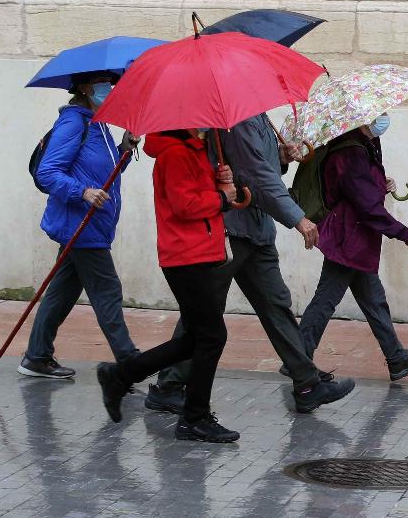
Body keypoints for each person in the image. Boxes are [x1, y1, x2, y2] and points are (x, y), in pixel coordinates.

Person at [144, 113, 354, 415]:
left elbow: (262, 165)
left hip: (255, 230)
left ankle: (307, 383)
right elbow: (255, 174)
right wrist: (297, 218)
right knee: (204, 312)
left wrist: (280, 156)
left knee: (276, 303)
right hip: (232, 230)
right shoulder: (237, 119)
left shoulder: (257, 116)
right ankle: (169, 385)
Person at [95, 129, 241, 443]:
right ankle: (194, 417)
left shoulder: (195, 149)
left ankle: (120, 375)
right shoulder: (175, 153)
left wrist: (223, 185)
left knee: (196, 339)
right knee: (213, 336)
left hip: (199, 251)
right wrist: (220, 197)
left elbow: (202, 198)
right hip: (185, 256)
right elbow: (184, 205)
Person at [297, 113, 408, 381]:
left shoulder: (362, 146)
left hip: (355, 239)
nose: (383, 119)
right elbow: (366, 205)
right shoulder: (350, 152)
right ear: (361, 120)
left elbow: (362, 190)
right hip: (348, 238)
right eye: (378, 115)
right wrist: (403, 232)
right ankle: (298, 359)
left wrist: (382, 184)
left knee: (374, 300)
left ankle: (396, 359)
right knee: (326, 300)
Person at [21, 72, 139, 380]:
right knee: (107, 290)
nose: (109, 88)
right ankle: (130, 361)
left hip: (93, 224)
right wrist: (82, 192)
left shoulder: (98, 124)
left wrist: (125, 149)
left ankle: (36, 356)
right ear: (86, 88)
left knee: (62, 292)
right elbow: (48, 172)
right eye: (103, 83)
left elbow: (106, 172)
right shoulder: (75, 122)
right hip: (81, 225)